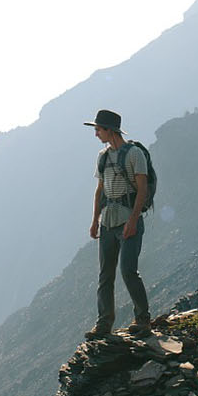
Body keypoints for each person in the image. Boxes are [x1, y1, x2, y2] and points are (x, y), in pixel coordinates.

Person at [83, 109, 151, 338]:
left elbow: (142, 188)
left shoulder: (134, 154)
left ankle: (142, 319)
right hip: (108, 223)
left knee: (128, 271)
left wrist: (133, 221)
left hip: (127, 221)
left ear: (109, 130)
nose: (96, 134)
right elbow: (99, 190)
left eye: (98, 129)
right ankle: (104, 323)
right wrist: (94, 221)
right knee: (105, 275)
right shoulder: (103, 157)